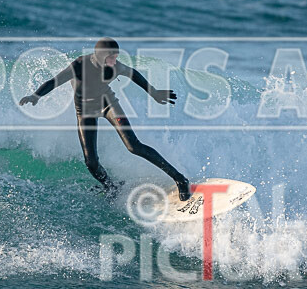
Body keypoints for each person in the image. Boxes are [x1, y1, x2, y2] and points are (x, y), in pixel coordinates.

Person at [19, 38, 192, 201]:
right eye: (112, 57)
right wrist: (36, 96)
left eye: (116, 57)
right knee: (91, 163)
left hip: (108, 104)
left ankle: (180, 179)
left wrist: (153, 92)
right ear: (101, 56)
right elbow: (54, 81)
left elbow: (133, 74)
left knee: (134, 146)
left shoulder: (114, 67)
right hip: (84, 111)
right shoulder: (80, 65)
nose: (115, 61)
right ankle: (111, 187)